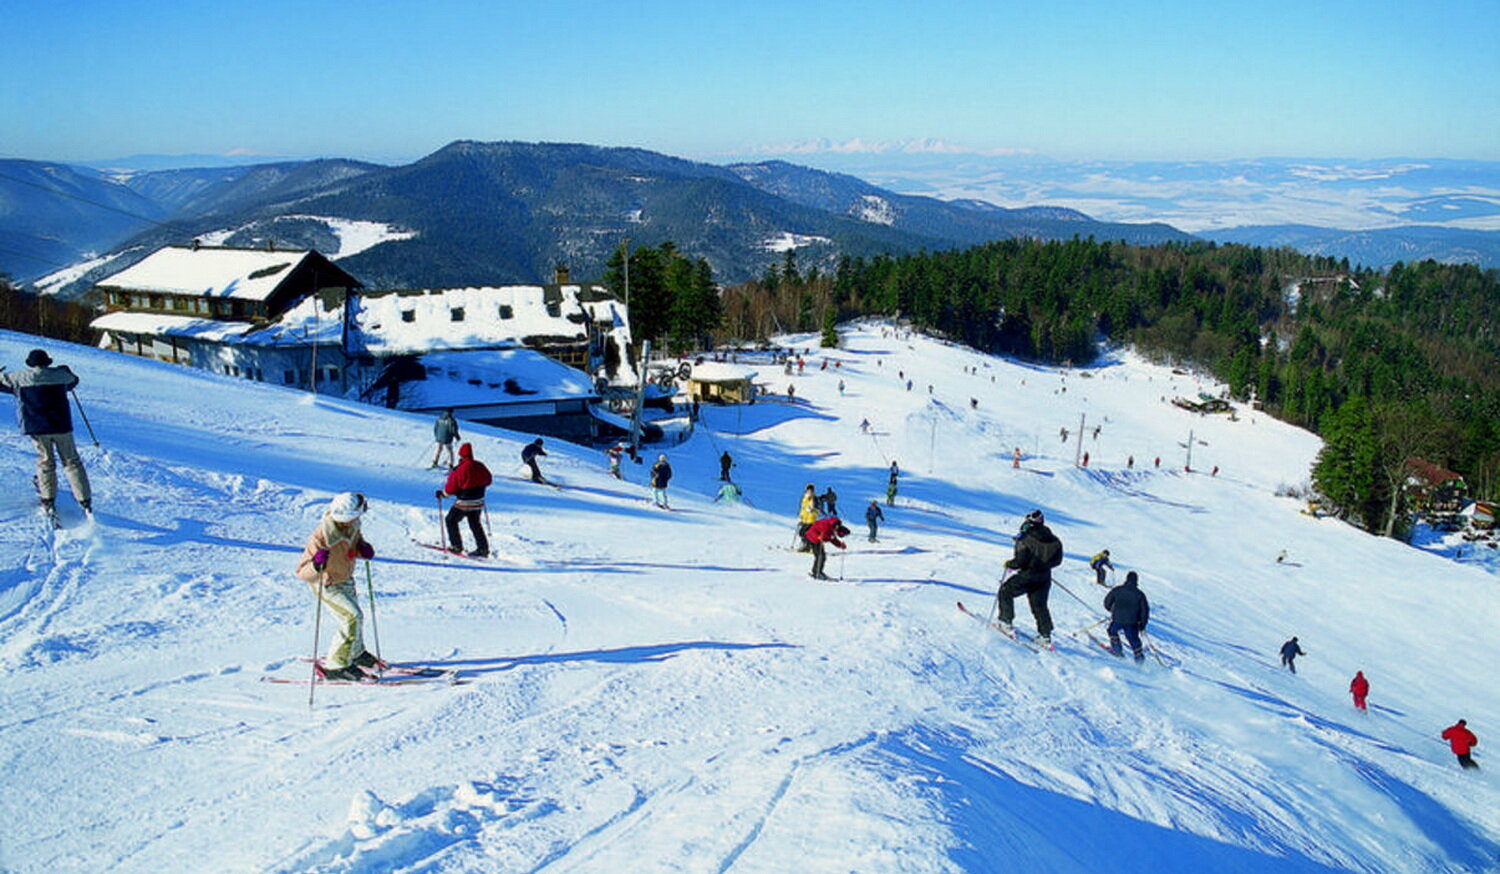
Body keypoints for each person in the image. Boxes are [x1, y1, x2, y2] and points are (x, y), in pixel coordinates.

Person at [0, 348, 93, 520]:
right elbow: (73, 381)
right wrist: (66, 370)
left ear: (30, 364)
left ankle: (48, 498)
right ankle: (84, 499)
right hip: (61, 425)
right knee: (72, 461)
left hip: (36, 427)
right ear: (47, 362)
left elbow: (2, 384)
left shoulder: (20, 377)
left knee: (46, 462)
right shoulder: (59, 375)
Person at [295, 492, 377, 681]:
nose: (359, 517)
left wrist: (362, 548)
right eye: (357, 514)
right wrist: (316, 564)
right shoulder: (321, 536)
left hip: (346, 579)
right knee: (351, 617)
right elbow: (302, 572)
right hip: (327, 584)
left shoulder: (353, 524)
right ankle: (336, 665)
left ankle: (356, 653)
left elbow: (353, 544)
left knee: (356, 618)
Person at [998, 510, 1063, 647]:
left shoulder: (1026, 538)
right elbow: (1057, 561)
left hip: (1028, 575)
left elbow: (1021, 560)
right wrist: (1043, 565)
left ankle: (1005, 622)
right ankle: (1045, 636)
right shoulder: (1054, 539)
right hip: (1045, 577)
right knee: (1039, 605)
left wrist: (1010, 564)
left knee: (1005, 591)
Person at [437, 443, 491, 557]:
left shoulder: (460, 469)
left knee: (451, 520)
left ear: (461, 455)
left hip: (464, 503)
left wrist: (442, 494)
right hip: (478, 501)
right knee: (475, 523)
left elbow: (451, 489)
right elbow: (489, 480)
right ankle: (483, 549)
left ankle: (457, 546)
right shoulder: (480, 465)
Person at [1104, 571, 1150, 663]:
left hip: (1118, 619)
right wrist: (1142, 625)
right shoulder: (1139, 594)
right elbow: (1145, 611)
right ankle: (1139, 659)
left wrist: (1112, 611)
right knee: (1133, 639)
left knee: (1112, 631)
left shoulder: (1118, 590)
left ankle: (1117, 651)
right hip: (1132, 622)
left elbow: (1107, 602)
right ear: (1136, 581)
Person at [803, 516, 849, 580]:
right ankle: (816, 572)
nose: (837, 534)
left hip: (818, 540)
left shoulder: (833, 528)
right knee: (820, 556)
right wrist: (817, 537)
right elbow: (813, 528)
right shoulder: (825, 525)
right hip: (812, 538)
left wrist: (840, 545)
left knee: (822, 556)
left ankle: (818, 571)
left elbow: (832, 539)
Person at [796, 483, 819, 551]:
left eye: (811, 490)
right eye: (808, 490)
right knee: (802, 533)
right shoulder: (804, 498)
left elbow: (817, 508)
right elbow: (802, 508)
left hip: (811, 519)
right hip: (804, 519)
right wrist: (801, 515)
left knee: (804, 533)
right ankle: (807, 546)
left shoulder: (814, 498)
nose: (810, 491)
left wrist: (812, 510)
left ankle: (808, 546)